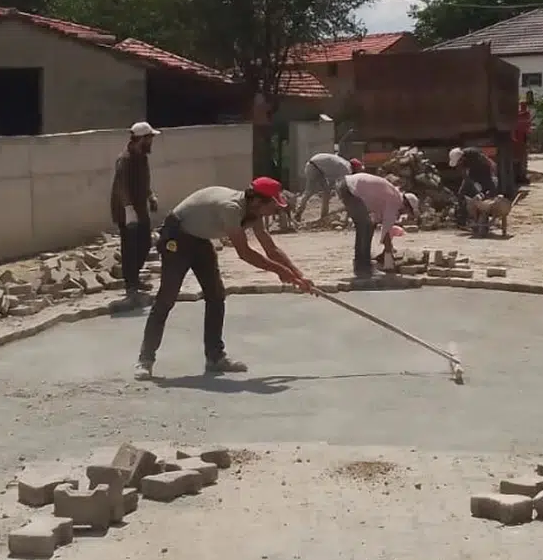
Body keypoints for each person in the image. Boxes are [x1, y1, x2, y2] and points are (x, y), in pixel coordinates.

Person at [135, 177, 313, 380]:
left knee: (216, 296)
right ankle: (145, 360)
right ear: (258, 201)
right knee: (166, 298)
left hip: (200, 239)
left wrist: (299, 276)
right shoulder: (231, 208)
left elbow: (270, 248)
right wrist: (280, 272)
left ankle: (215, 357)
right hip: (177, 238)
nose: (275, 212)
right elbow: (244, 253)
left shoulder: (254, 212)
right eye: (274, 206)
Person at [110, 121, 161, 300]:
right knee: (130, 246)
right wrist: (129, 209)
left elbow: (143, 180)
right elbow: (120, 186)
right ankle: (130, 284)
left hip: (139, 206)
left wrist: (150, 195)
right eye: (150, 139)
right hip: (126, 209)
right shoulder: (125, 159)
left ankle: (134, 277)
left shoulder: (142, 157)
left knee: (145, 242)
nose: (152, 142)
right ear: (142, 139)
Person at [337, 172, 419, 277]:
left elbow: (376, 221)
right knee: (365, 228)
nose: (404, 214)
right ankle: (364, 268)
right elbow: (386, 231)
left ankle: (361, 265)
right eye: (407, 212)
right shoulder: (395, 200)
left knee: (366, 227)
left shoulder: (389, 196)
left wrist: (386, 248)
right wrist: (388, 254)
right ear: (406, 205)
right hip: (351, 188)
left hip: (346, 184)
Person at [294, 153, 363, 222]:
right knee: (314, 191)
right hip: (315, 168)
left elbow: (333, 180)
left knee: (317, 191)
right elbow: (342, 186)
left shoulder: (344, 164)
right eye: (358, 169)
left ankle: (300, 213)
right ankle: (323, 216)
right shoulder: (346, 169)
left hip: (313, 165)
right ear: (354, 168)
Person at [448, 146, 498, 228]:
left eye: (459, 161)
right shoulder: (461, 162)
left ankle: (487, 216)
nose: (459, 163)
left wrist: (493, 175)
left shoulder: (473, 153)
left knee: (490, 192)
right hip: (472, 174)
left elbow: (488, 162)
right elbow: (464, 175)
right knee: (461, 194)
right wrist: (473, 184)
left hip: (485, 172)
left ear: (462, 157)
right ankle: (462, 220)